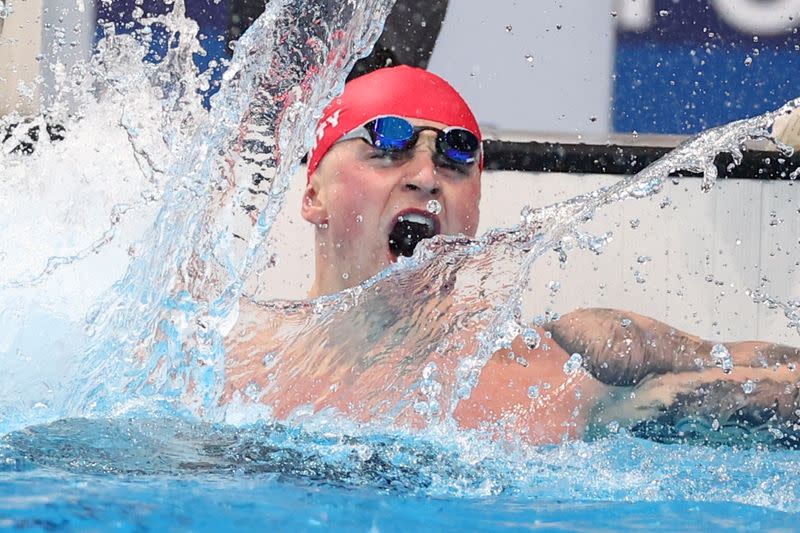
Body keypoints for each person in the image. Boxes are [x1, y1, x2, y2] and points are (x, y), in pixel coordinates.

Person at [224, 66, 800, 446]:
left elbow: (774, 381)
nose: (426, 177)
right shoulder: (220, 359)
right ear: (311, 195)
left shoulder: (577, 359)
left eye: (455, 162)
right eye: (385, 151)